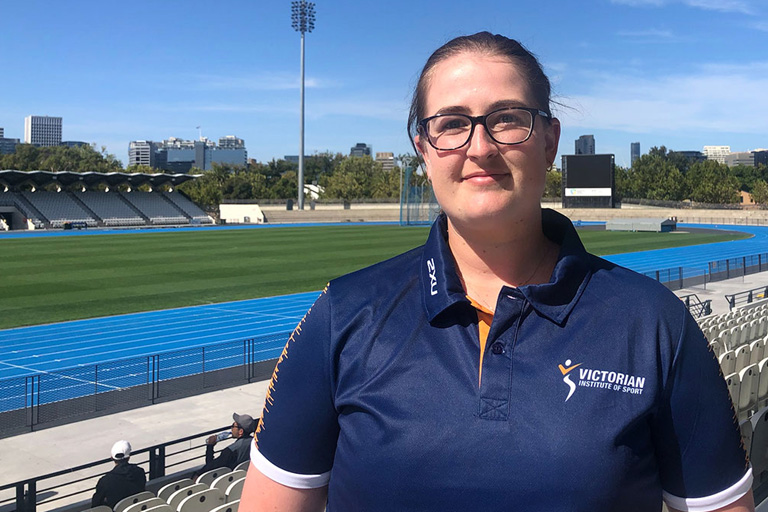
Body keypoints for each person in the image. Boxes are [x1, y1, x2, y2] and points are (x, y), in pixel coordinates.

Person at [240, 32, 754, 512]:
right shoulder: (342, 316)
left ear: (550, 141)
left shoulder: (655, 323)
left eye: (507, 118)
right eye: (451, 123)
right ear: (424, 150)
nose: (479, 147)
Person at [91, 440, 146, 509]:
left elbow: (95, 505)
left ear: (112, 458)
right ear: (129, 457)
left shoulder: (105, 481)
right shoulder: (140, 472)